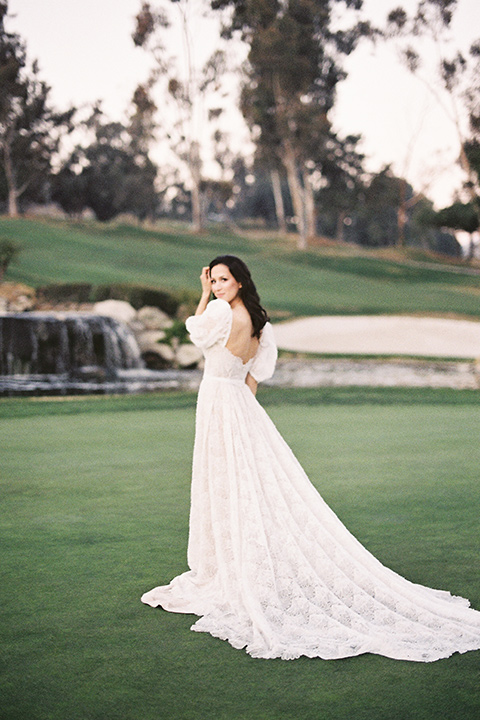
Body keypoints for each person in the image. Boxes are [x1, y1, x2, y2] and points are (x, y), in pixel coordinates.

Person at [141, 255, 480, 661]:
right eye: (212, 281)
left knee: (225, 483)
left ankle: (234, 570)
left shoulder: (217, 312)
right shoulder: (261, 325)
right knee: (243, 484)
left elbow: (194, 332)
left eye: (222, 280)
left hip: (217, 401)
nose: (216, 286)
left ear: (240, 282)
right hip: (239, 406)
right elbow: (252, 381)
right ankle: (239, 561)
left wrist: (199, 295)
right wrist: (244, 420)